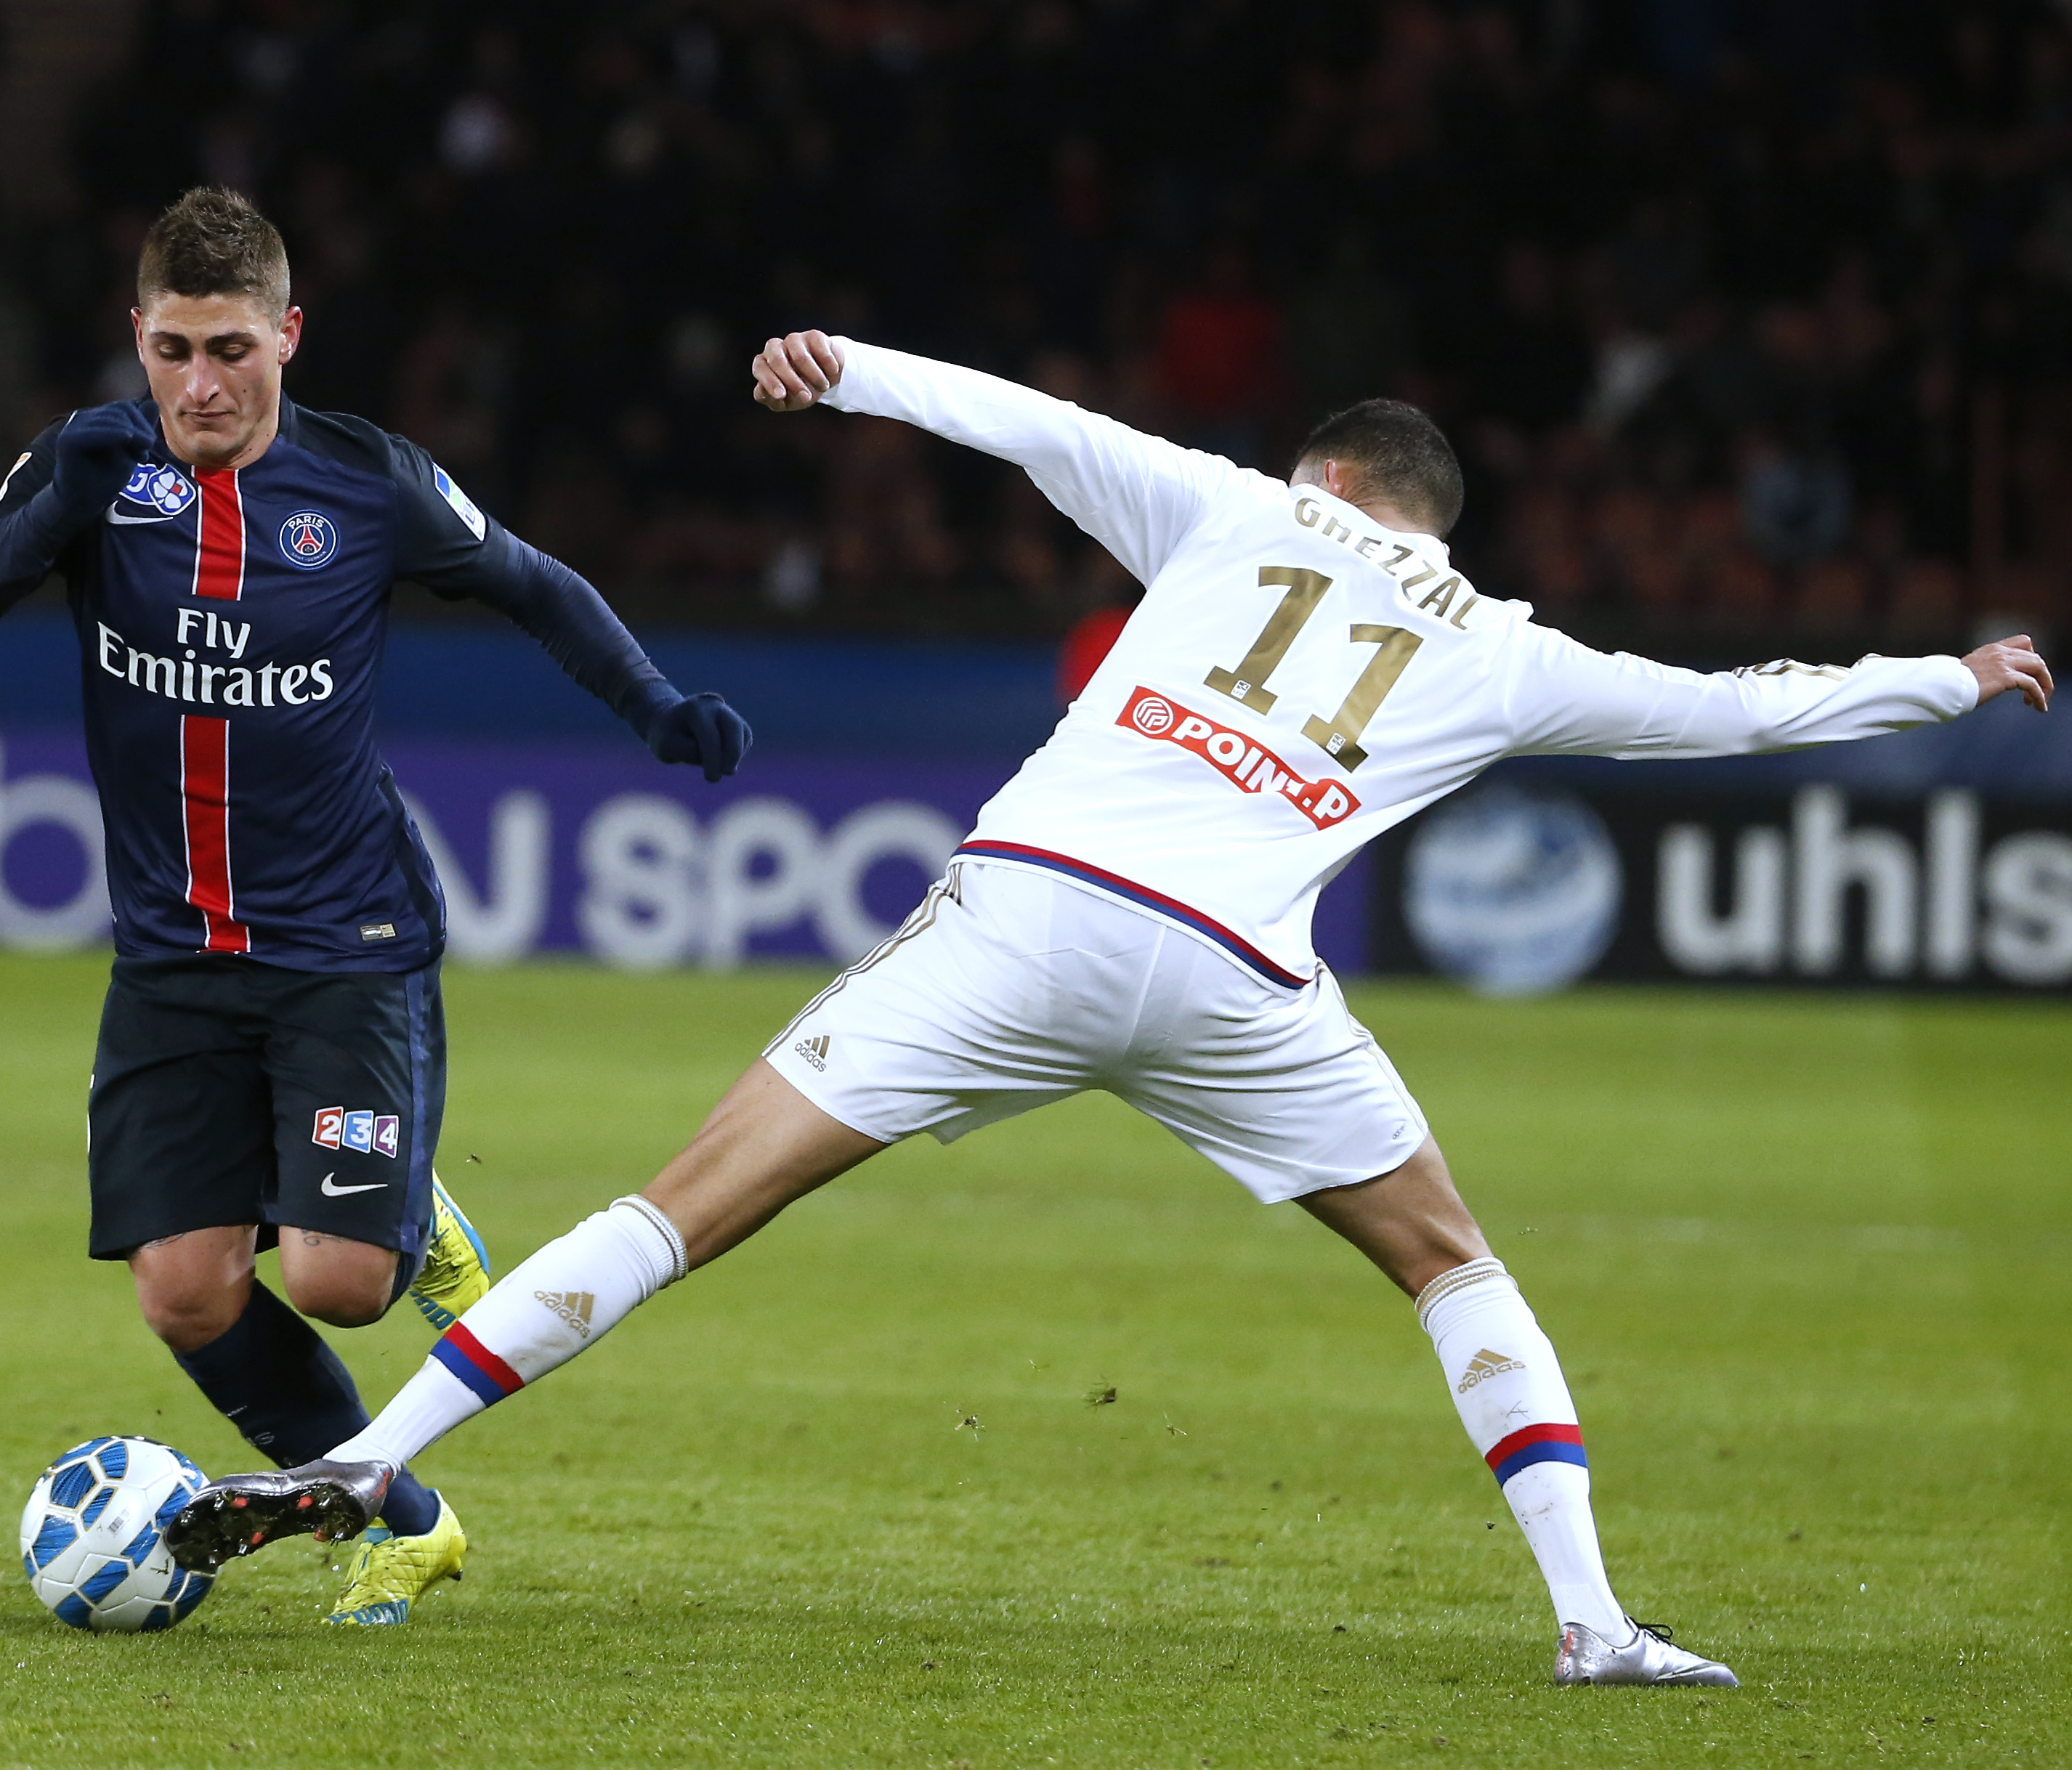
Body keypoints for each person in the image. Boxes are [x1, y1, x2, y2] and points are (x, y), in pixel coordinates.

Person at [163, 330, 2052, 1681]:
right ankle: (1594, 1618)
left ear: (1326, 485)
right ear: (1438, 523)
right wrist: (1952, 676)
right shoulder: (1501, 646)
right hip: (1239, 970)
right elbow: (1737, 707)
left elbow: (1029, 424)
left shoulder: (1236, 508)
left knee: (684, 1203)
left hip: (1034, 914)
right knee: (1452, 1258)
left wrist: (852, 369)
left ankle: (362, 1452)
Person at [0, 188, 750, 1626]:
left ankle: (398, 1200)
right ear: (137, 337)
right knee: (182, 1293)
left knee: (343, 1283)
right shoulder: (90, 467)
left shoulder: (368, 484)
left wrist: (657, 708)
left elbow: (536, 586)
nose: (199, 386)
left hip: (345, 945)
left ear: (288, 337)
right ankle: (404, 1520)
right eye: (171, 350)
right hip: (171, 958)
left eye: (230, 348)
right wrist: (57, 491)